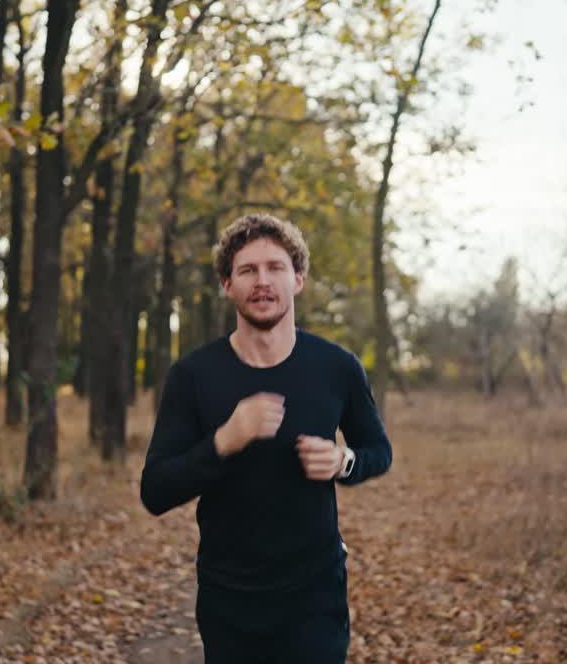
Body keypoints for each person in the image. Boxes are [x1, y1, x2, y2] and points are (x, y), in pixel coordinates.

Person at [140, 212, 393, 663]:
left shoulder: (337, 367)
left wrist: (343, 462)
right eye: (247, 270)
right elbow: (155, 490)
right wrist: (223, 442)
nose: (263, 281)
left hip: (315, 595)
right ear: (227, 284)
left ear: (298, 278)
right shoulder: (193, 376)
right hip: (229, 599)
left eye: (275, 267)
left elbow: (378, 451)